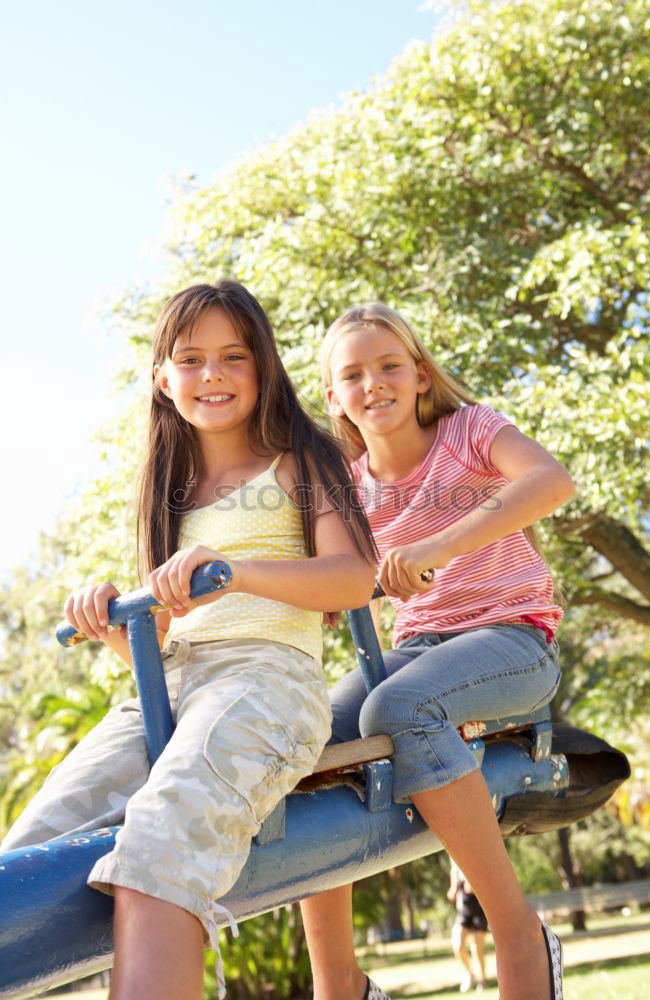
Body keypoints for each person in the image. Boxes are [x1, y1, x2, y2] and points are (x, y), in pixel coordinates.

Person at [0, 281, 377, 1000]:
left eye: (234, 356)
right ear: (162, 379)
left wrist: (237, 573)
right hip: (165, 690)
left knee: (160, 843)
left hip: (266, 681)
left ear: (264, 366)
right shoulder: (168, 488)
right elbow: (163, 643)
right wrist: (111, 620)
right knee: (24, 857)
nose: (212, 374)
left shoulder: (302, 459)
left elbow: (352, 579)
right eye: (192, 358)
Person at [300, 303, 572, 1000]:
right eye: (353, 374)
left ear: (420, 375)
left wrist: (438, 547)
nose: (374, 383)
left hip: (512, 640)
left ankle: (518, 933)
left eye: (390, 365)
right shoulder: (349, 494)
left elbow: (551, 481)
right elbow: (331, 588)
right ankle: (342, 986)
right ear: (333, 396)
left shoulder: (469, 431)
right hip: (419, 649)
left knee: (400, 706)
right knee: (299, 737)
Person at [447, 861, 488, 993]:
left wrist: (473, 885)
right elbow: (452, 893)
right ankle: (470, 974)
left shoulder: (474, 862)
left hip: (479, 912)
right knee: (457, 946)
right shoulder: (455, 870)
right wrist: (452, 891)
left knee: (477, 949)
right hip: (463, 912)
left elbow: (484, 888)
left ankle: (482, 981)